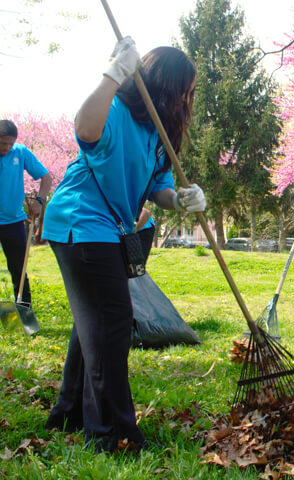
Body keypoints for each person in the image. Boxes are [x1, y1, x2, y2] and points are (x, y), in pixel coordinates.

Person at [42, 38, 206, 452]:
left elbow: (158, 188)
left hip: (108, 228)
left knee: (94, 324)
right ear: (165, 85)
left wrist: (183, 200)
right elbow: (84, 129)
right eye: (185, 89)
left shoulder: (156, 132)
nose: (188, 98)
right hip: (80, 220)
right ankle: (112, 433)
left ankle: (69, 414)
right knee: (111, 323)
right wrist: (112, 73)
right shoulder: (115, 109)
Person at [0, 119, 52, 306]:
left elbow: (46, 177)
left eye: (10, 143)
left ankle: (23, 308)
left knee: (18, 269)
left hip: (13, 222)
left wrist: (40, 200)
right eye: (2, 143)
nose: (6, 147)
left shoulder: (20, 152)